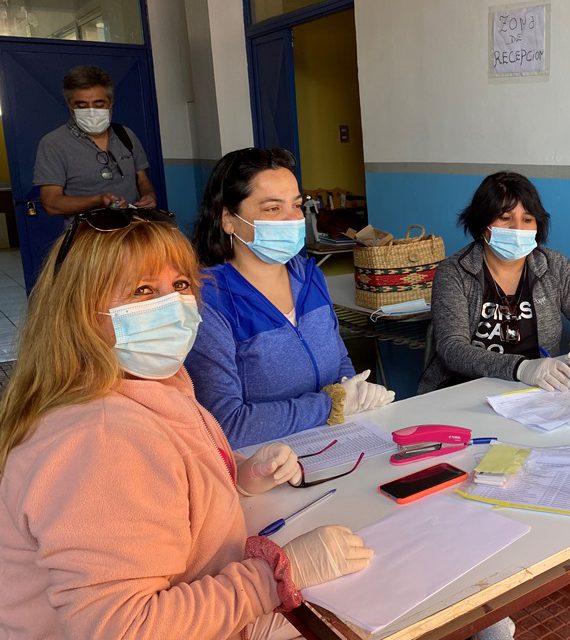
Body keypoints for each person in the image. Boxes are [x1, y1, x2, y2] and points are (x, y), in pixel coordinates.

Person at [0, 207, 372, 639]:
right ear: (81, 314)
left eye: (179, 285)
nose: (172, 305)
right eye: (142, 290)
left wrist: (235, 476)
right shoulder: (98, 437)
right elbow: (125, 629)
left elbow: (159, 487)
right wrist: (277, 575)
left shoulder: (149, 384)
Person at [187, 148, 394, 449]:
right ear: (228, 220)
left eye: (297, 205)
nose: (291, 219)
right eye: (272, 209)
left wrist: (357, 392)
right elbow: (226, 424)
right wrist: (330, 405)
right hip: (263, 465)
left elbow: (339, 361)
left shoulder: (309, 276)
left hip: (334, 443)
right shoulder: (209, 300)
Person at [419, 171, 570, 394]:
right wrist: (521, 368)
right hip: (462, 391)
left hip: (536, 392)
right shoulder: (454, 272)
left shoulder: (555, 267)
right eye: (505, 218)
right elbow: (452, 349)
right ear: (483, 222)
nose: (518, 229)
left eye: (527, 219)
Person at [34, 65, 157, 217]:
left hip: (132, 230)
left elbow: (142, 180)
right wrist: (97, 200)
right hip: (88, 236)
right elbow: (51, 204)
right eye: (82, 106)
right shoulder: (53, 143)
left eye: (99, 105)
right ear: (70, 107)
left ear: (110, 104)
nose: (91, 112)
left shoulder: (125, 134)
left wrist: (149, 196)